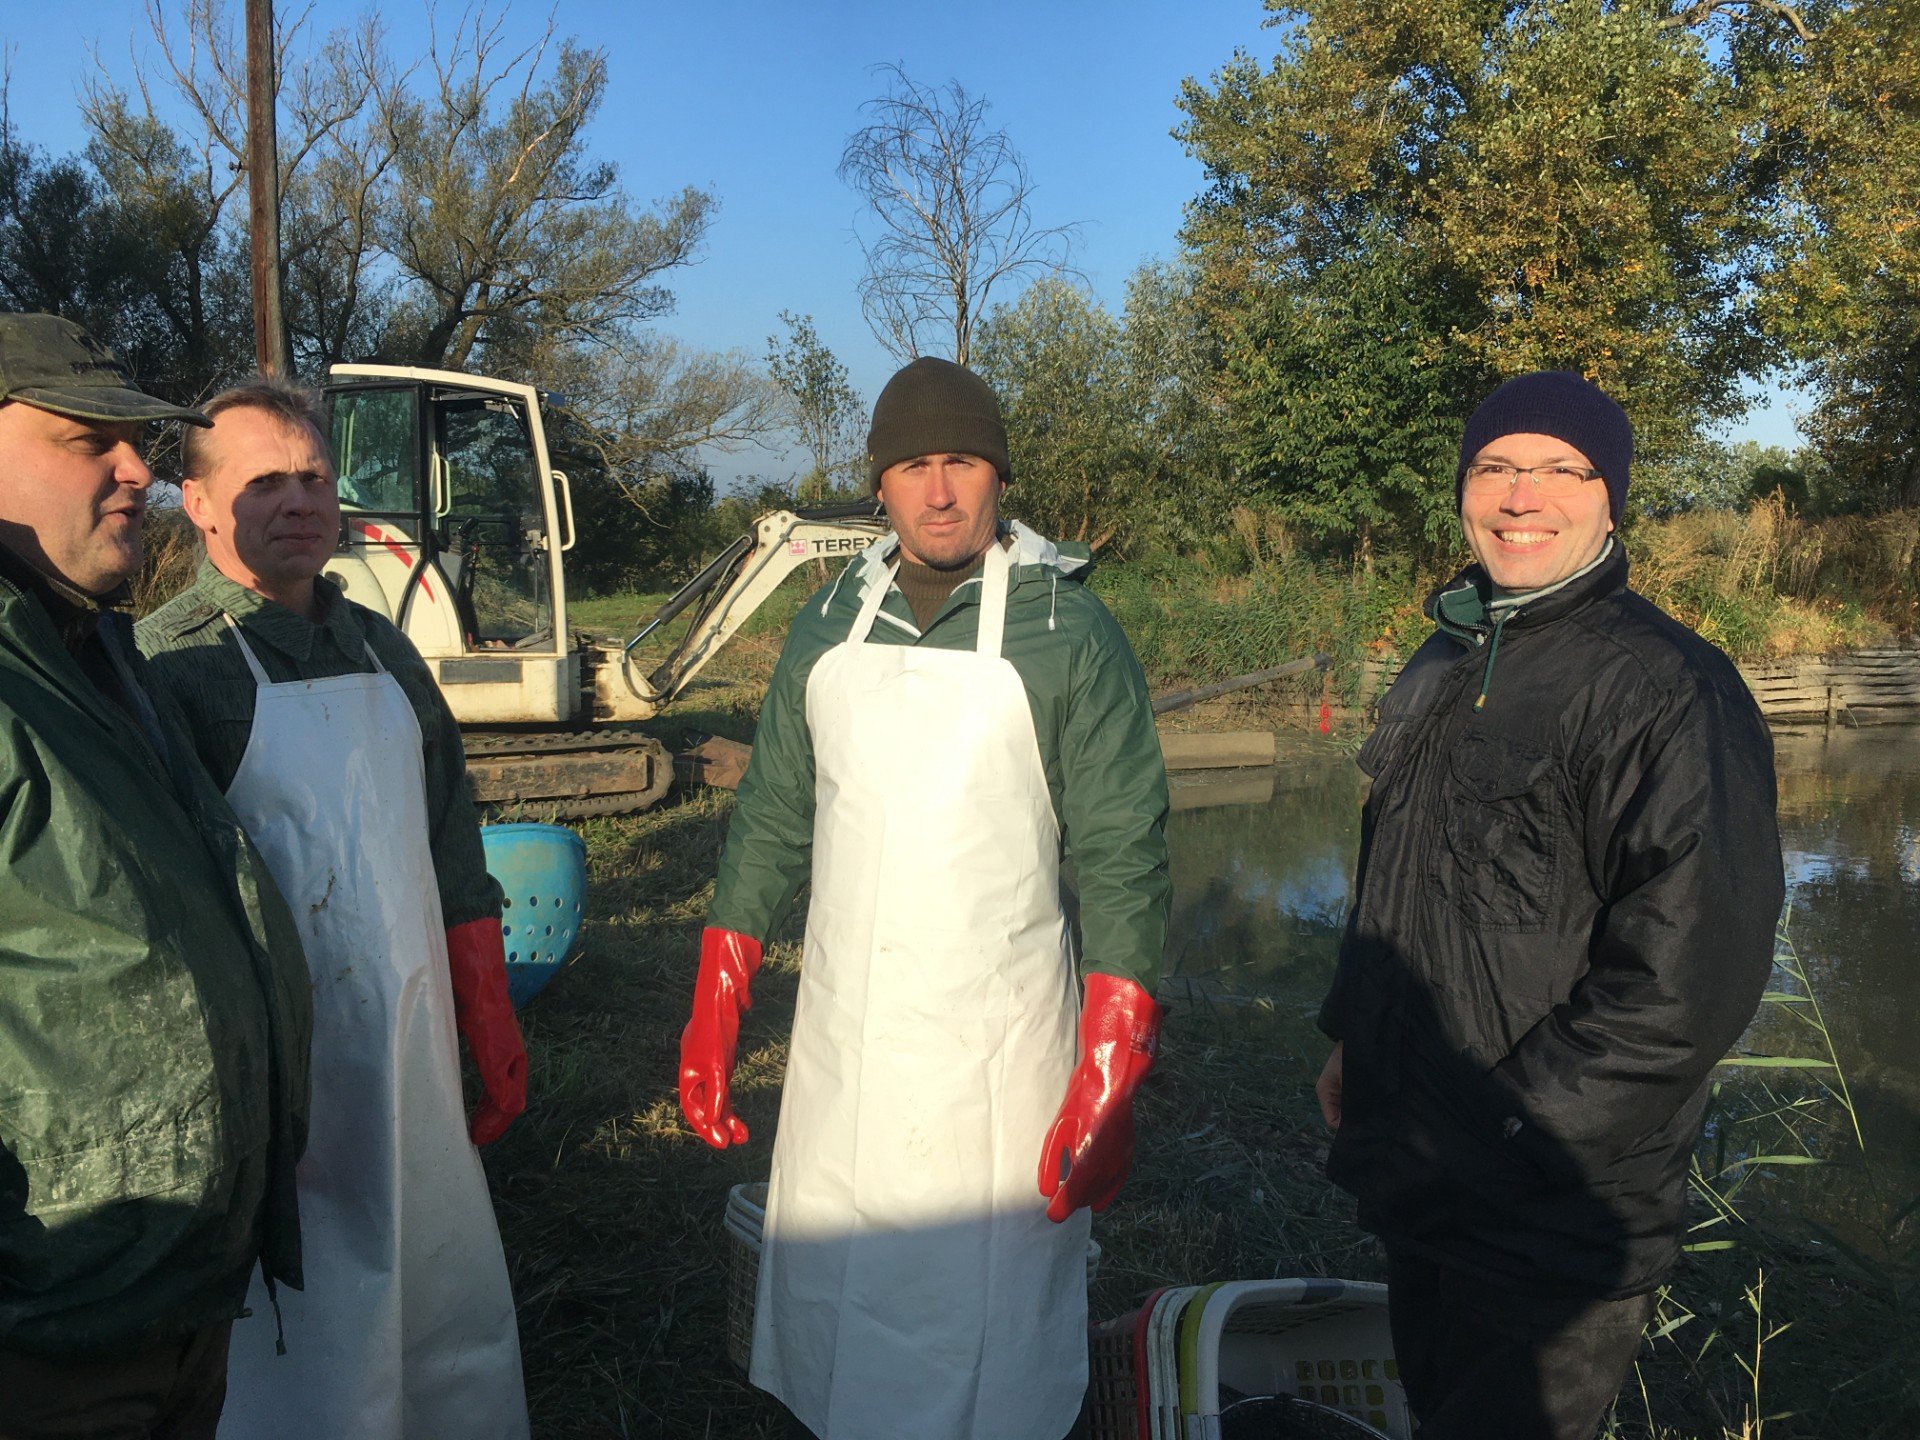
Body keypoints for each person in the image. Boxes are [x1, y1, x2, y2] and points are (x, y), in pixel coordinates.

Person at [678, 357, 1170, 1440]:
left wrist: (1112, 1062)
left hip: (994, 1050)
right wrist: (719, 998)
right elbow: (772, 811)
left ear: (997, 477)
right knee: (844, 1291)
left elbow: (1126, 850)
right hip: (849, 1034)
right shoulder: (826, 624)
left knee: (981, 1307)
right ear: (880, 485)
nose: (939, 492)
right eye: (913, 467)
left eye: (961, 462)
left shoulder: (1068, 632)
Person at [1314, 371, 1785, 1440]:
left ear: (1610, 500)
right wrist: (1353, 1034)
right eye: (1495, 468)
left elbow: (1687, 985)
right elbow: (1390, 871)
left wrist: (1500, 1129)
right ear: (1464, 491)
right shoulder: (1446, 655)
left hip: (1553, 1200)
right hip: (1425, 1173)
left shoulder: (1669, 690)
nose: (1523, 497)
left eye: (1560, 471)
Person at [136, 377, 531, 1440]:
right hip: (278, 1064)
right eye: (264, 481)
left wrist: (484, 1003)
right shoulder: (170, 669)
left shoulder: (383, 647)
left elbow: (450, 827)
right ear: (198, 502)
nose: (300, 500)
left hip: (408, 1040)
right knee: (303, 1316)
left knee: (434, 1271)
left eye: (315, 477)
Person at [0, 314, 312, 1440]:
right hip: (52, 1331)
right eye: (92, 439)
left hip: (183, 1295)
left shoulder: (100, 653)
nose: (141, 471)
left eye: (141, 441)